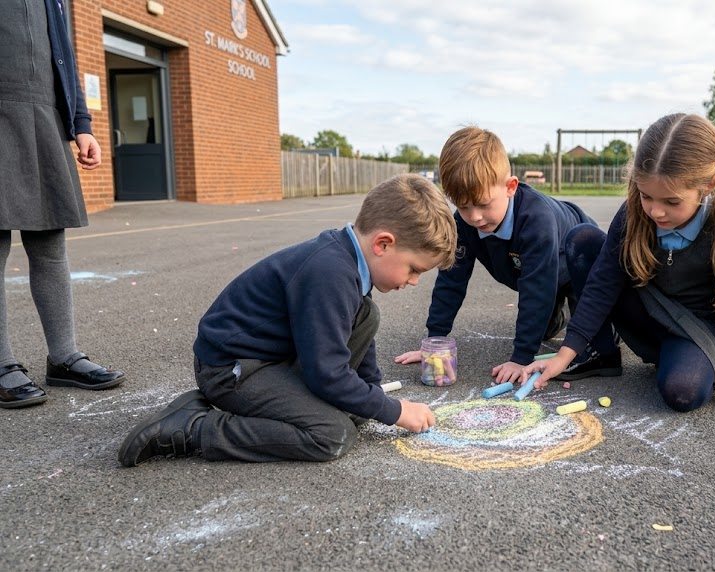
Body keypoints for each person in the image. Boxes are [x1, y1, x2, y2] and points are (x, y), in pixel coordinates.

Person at [117, 174, 456, 466]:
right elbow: (327, 373)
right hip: (231, 370)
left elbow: (354, 328)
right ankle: (195, 427)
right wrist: (394, 410)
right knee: (331, 435)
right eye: (414, 269)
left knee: (367, 315)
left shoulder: (346, 262)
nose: (413, 281)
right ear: (383, 243)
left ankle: (331, 404)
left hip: (271, 358)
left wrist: (372, 399)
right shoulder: (330, 273)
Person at [521, 114, 715, 418]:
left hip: (692, 334)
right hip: (644, 314)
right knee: (583, 241)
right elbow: (602, 282)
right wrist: (565, 354)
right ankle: (601, 353)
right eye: (646, 196)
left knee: (683, 392)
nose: (656, 211)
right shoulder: (634, 214)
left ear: (709, 186)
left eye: (672, 201)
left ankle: (688, 362)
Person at [394, 127, 616, 383]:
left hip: (579, 261)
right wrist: (435, 342)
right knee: (540, 327)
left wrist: (521, 358)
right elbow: (450, 281)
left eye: (483, 204)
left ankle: (607, 322)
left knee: (588, 331)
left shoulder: (536, 221)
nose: (475, 217)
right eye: (464, 206)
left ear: (510, 187)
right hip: (541, 274)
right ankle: (556, 313)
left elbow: (536, 289)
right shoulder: (464, 224)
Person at [0, 0, 125, 409]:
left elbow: (64, 58)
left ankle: (64, 356)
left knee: (51, 244)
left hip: (47, 118)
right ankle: (1, 364)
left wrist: (81, 125)